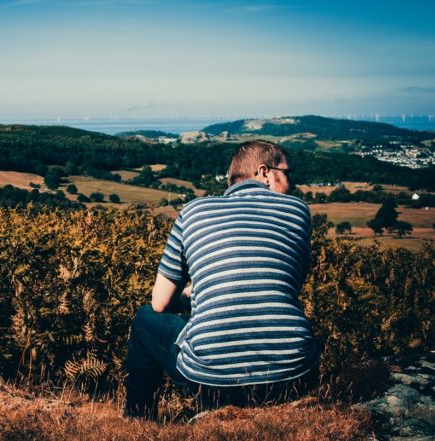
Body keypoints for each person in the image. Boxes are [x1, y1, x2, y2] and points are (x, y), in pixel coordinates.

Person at [124, 140, 319, 419]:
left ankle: (138, 418)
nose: (294, 183)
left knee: (145, 318)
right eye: (288, 173)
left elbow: (160, 303)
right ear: (264, 172)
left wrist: (195, 295)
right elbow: (283, 288)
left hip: (210, 384)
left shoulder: (193, 211)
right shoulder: (297, 211)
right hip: (293, 379)